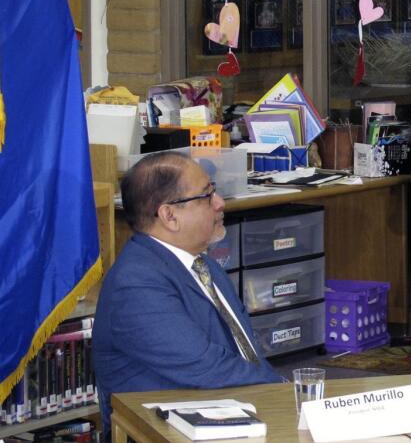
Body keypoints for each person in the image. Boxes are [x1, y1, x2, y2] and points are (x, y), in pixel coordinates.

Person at [93, 152, 284, 435]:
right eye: (207, 196)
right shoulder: (135, 284)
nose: (220, 203)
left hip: (233, 414)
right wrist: (285, 391)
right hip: (166, 432)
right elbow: (207, 367)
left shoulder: (202, 264)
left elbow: (246, 352)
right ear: (169, 215)